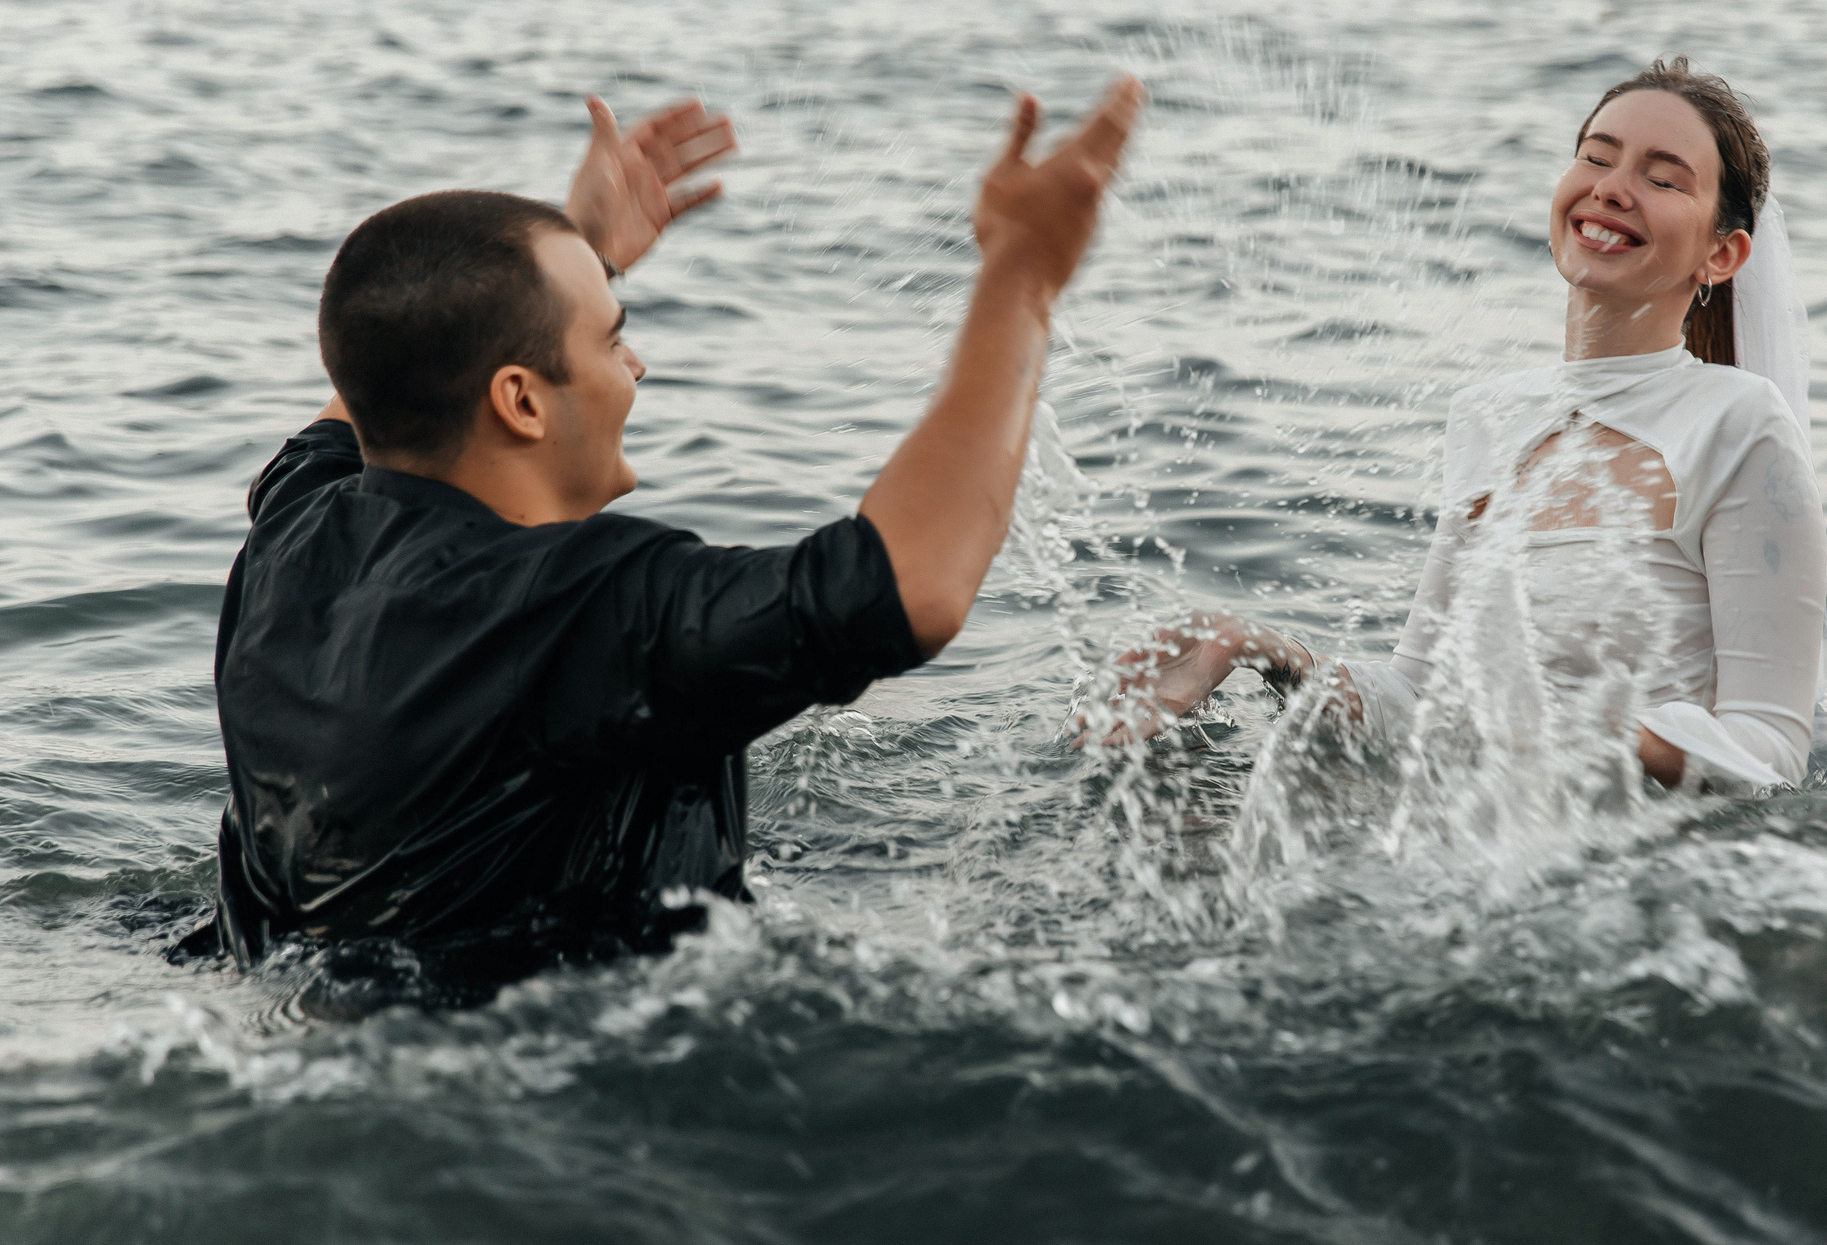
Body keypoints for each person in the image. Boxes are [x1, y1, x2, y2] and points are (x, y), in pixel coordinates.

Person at [184, 79, 1145, 988]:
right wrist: (1023, 273)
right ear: (518, 399)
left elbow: (385, 370)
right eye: (609, 334)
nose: (634, 366)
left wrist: (574, 250)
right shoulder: (580, 607)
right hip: (547, 1075)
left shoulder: (291, 535)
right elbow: (904, 588)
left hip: (279, 993)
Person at [1092, 59, 1825, 793]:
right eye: (1597, 157)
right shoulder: (1490, 416)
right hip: (1474, 856)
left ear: (1721, 254)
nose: (1611, 187)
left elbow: (1768, 753)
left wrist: (1583, 724)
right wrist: (1266, 651)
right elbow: (1418, 698)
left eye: (1662, 179)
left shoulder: (1741, 425)